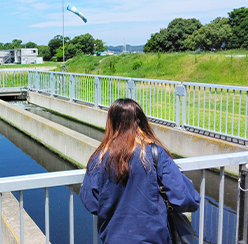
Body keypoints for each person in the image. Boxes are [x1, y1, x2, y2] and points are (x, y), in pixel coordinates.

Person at [79, 98, 200, 244]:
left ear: (111, 123)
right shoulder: (154, 154)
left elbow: (90, 202)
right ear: (140, 121)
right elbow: (185, 199)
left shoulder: (99, 158)